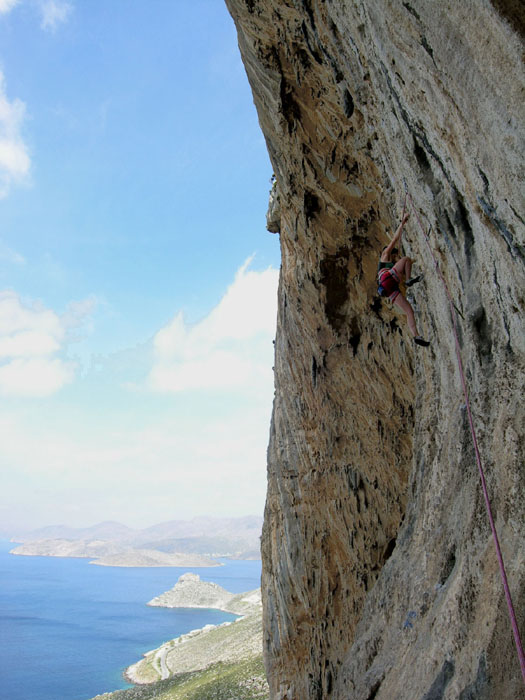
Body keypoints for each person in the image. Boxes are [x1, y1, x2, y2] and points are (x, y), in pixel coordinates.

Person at [378, 211, 430, 347]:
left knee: (409, 311)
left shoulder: (388, 265)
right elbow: (395, 240)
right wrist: (403, 223)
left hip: (389, 290)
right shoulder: (384, 255)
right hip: (387, 279)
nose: (394, 258)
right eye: (394, 256)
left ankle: (416, 336)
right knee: (406, 259)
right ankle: (408, 280)